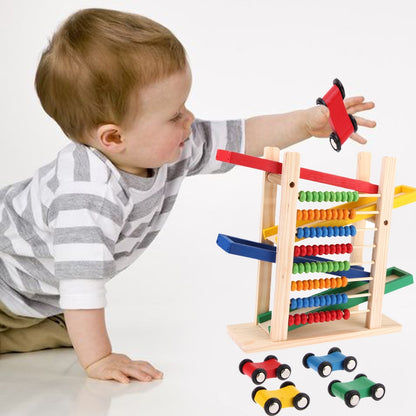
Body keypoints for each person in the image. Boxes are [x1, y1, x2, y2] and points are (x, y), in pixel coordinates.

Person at [0, 8, 376, 383]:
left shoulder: (166, 147)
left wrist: (306, 122)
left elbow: (244, 137)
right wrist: (99, 359)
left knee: (71, 329)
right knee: (82, 324)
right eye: (174, 114)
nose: (190, 118)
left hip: (37, 294)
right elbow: (81, 284)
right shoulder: (85, 195)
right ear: (113, 137)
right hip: (7, 285)